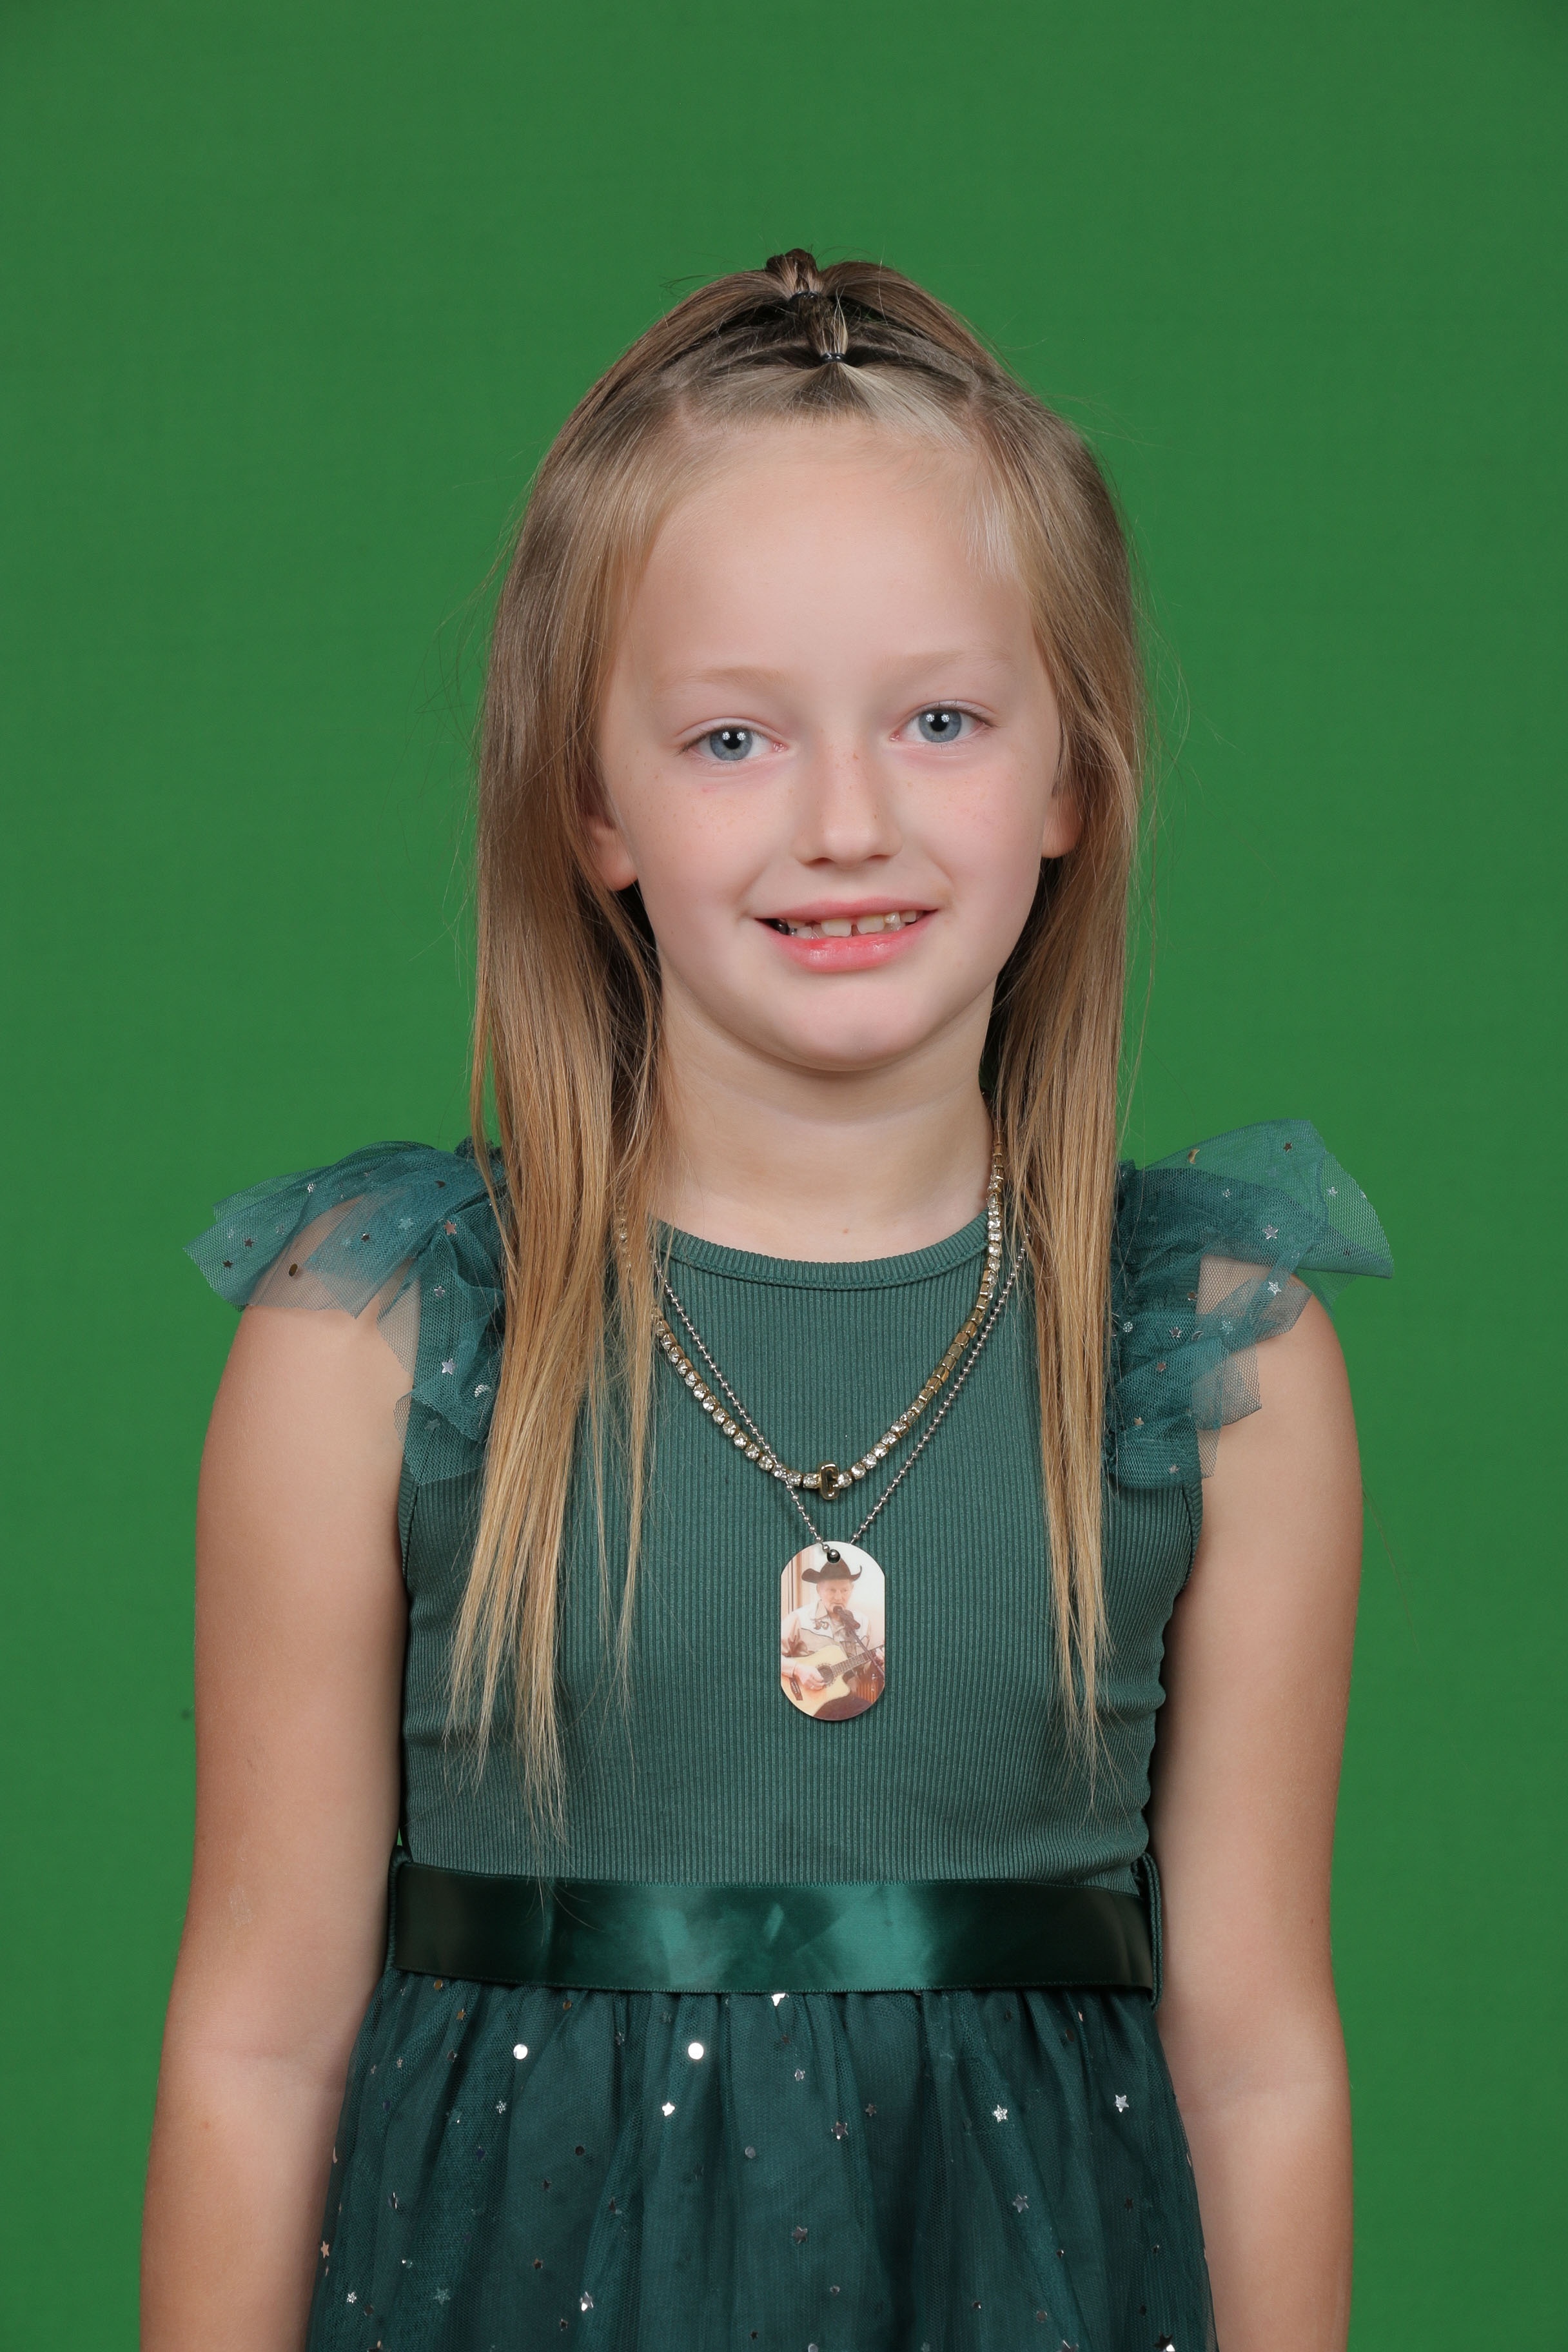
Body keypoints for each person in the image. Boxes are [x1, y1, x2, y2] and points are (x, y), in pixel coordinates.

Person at [141, 250, 1392, 2352]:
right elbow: (257, 2050)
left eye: (940, 720)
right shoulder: (375, 1341)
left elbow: (1258, 2057)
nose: (846, 821)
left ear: (1071, 779)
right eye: (733, 735)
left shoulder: (1207, 1361)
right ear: (592, 807)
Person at [780, 1545, 887, 1718]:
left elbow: (865, 1672)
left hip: (848, 1702)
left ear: (851, 1590)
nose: (838, 1597)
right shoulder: (799, 1619)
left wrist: (879, 1662)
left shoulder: (862, 1623)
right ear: (819, 1590)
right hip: (806, 1704)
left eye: (844, 1590)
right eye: (831, 1590)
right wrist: (798, 1669)